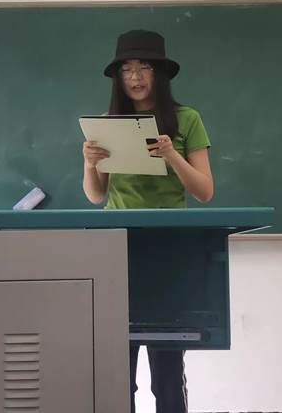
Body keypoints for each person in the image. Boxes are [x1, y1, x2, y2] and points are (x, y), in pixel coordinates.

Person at [81, 29, 213, 413]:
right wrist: (89, 164)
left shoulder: (187, 119)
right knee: (117, 370)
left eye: (144, 68)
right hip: (115, 250)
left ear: (160, 73)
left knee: (167, 371)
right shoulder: (108, 123)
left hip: (169, 250)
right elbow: (96, 195)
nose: (135, 77)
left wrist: (172, 155)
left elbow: (205, 191)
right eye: (127, 69)